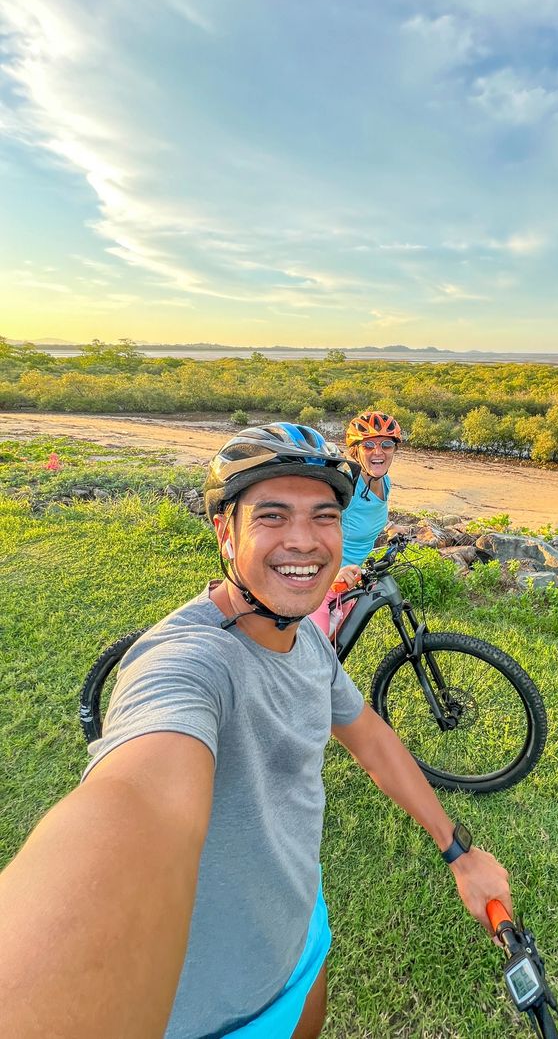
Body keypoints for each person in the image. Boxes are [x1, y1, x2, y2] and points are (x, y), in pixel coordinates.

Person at [0, 422, 511, 1039]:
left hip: (298, 937)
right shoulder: (188, 666)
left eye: (323, 517)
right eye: (272, 515)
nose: (305, 541)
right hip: (214, 1018)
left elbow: (370, 737)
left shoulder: (307, 645)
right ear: (226, 532)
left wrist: (458, 850)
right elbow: (135, 804)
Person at [309, 410, 402, 637]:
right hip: (322, 585)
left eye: (386, 445)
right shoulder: (346, 483)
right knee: (311, 658)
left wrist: (390, 527)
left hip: (351, 583)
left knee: (335, 654)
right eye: (368, 446)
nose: (378, 452)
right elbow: (311, 528)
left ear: (394, 450)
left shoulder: (384, 481)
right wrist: (331, 571)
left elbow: (367, 514)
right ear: (356, 451)